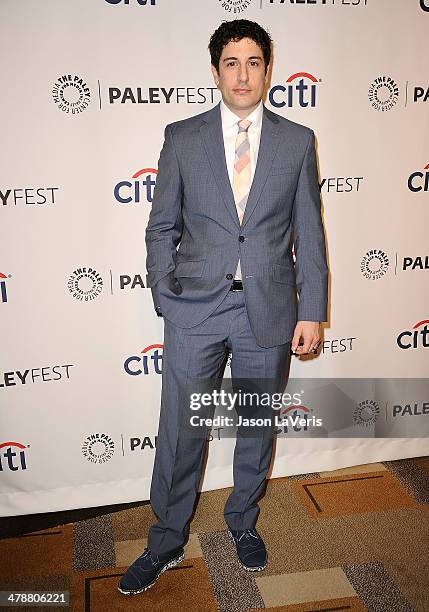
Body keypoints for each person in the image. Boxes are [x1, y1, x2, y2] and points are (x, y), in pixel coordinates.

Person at [118, 18, 328, 596]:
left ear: (267, 71)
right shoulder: (182, 137)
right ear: (215, 72)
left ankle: (243, 522)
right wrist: (165, 291)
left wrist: (311, 309)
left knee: (256, 425)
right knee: (183, 429)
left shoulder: (296, 140)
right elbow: (161, 225)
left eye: (253, 62)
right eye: (231, 63)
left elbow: (310, 233)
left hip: (267, 310)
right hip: (195, 310)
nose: (242, 73)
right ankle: (165, 538)